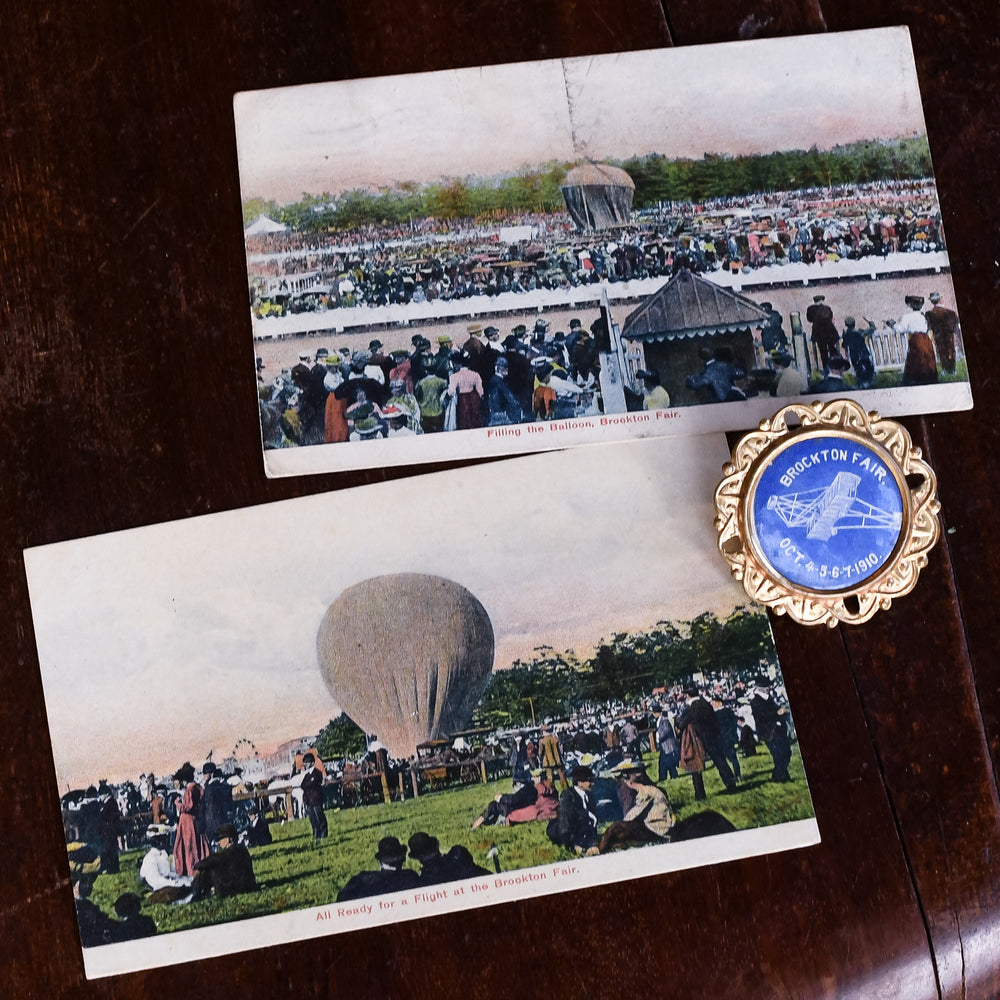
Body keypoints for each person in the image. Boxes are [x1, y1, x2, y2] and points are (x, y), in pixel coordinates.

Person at [677, 683, 738, 800]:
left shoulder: (690, 709)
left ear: (688, 695)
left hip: (698, 740)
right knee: (720, 762)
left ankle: (700, 794)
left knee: (695, 767)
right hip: (712, 737)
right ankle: (731, 784)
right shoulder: (706, 704)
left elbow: (681, 724)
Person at [597, 763, 675, 853]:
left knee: (615, 828)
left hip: (657, 829)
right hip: (659, 826)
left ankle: (600, 850)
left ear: (629, 780)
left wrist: (621, 824)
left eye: (624, 778)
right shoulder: (650, 789)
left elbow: (633, 814)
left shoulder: (646, 792)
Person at [336, 837, 420, 902]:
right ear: (402, 859)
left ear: (380, 861)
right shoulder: (410, 877)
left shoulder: (362, 879)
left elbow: (341, 899)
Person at [191, 823, 257, 900]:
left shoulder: (228, 853)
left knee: (208, 869)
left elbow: (212, 860)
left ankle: (195, 894)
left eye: (221, 839)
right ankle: (196, 892)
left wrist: (196, 866)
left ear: (229, 839)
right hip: (249, 886)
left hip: (234, 889)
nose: (219, 842)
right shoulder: (243, 850)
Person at [547, 765, 600, 855]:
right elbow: (565, 822)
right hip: (564, 832)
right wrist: (572, 844)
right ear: (580, 783)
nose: (593, 784)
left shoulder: (589, 796)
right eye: (589, 781)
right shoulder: (568, 796)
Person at [750, 676, 792, 783]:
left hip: (777, 729)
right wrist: (777, 713)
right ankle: (782, 777)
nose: (769, 688)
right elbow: (762, 716)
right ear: (760, 688)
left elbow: (775, 708)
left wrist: (781, 710)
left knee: (786, 752)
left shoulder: (768, 698)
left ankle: (777, 775)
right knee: (779, 754)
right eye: (766, 686)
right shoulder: (755, 701)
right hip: (767, 732)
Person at [172, 762, 209, 878]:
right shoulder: (198, 787)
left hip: (187, 821)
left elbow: (187, 807)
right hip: (194, 819)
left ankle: (191, 870)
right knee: (195, 843)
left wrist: (177, 803)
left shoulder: (190, 789)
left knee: (189, 846)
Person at [895, 294, 938, 386]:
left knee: (916, 358)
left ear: (911, 305)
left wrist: (892, 325)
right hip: (926, 339)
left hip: (916, 339)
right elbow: (927, 327)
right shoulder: (923, 316)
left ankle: (916, 379)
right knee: (926, 358)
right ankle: (929, 378)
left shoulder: (908, 317)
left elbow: (900, 329)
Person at [471, 772, 537, 829]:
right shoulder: (532, 789)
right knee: (497, 807)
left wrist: (501, 797)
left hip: (514, 809)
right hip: (518, 808)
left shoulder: (527, 789)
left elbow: (514, 799)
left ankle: (478, 822)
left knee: (494, 805)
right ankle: (485, 822)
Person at [925, 291, 959, 375]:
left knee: (941, 351)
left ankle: (945, 369)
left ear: (932, 302)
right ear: (940, 300)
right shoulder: (950, 312)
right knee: (951, 350)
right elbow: (955, 324)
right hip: (949, 334)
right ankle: (953, 369)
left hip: (938, 335)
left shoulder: (929, 314)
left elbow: (929, 326)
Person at [200, 761, 233, 843]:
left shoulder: (213, 787)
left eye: (205, 773)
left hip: (213, 818)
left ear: (211, 774)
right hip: (214, 818)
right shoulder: (216, 786)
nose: (204, 776)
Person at [840, 317, 876, 388]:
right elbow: (871, 330)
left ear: (846, 325)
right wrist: (872, 324)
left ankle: (861, 384)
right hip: (864, 354)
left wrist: (844, 337)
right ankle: (868, 384)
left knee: (859, 371)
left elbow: (844, 345)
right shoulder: (859, 332)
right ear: (854, 324)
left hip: (854, 356)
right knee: (869, 369)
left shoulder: (847, 334)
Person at [300, 753, 328, 841]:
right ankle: (316, 834)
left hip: (316, 799)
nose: (305, 764)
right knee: (312, 819)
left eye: (307, 762)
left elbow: (313, 783)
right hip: (309, 800)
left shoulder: (317, 773)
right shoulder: (307, 775)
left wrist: (309, 784)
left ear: (312, 763)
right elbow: (303, 785)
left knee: (320, 817)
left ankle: (324, 833)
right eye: (304, 762)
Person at [806, 294, 839, 369]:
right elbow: (830, 317)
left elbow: (809, 319)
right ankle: (835, 366)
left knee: (823, 352)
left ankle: (826, 368)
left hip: (819, 333)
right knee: (832, 349)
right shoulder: (827, 308)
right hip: (830, 332)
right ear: (822, 300)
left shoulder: (810, 309)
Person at [654, 706, 680, 781]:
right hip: (664, 745)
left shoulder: (664, 720)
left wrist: (659, 737)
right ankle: (670, 776)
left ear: (657, 713)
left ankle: (665, 777)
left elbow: (666, 730)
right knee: (666, 762)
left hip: (668, 745)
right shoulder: (660, 720)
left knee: (665, 762)